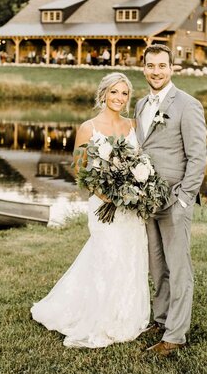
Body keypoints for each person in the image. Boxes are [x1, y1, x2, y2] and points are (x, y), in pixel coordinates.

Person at [31, 73, 150, 348]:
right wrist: (103, 193)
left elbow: (141, 161)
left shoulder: (133, 126)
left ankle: (126, 315)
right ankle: (100, 317)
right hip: (102, 204)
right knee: (107, 255)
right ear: (103, 94)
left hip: (130, 207)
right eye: (114, 92)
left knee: (130, 255)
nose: (119, 98)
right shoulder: (88, 127)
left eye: (124, 94)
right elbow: (78, 167)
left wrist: (136, 187)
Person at [135, 44, 207, 357]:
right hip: (147, 200)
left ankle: (175, 336)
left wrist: (183, 199)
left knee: (179, 269)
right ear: (144, 68)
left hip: (174, 199)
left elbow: (198, 157)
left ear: (172, 68)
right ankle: (161, 319)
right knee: (157, 265)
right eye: (151, 65)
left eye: (162, 66)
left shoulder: (188, 105)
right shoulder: (140, 105)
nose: (156, 71)